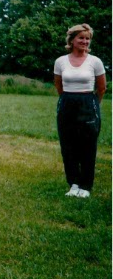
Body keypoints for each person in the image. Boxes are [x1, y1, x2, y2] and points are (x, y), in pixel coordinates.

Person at [54, 24, 106, 198]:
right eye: (81, 38)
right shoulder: (60, 61)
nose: (85, 41)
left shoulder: (95, 61)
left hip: (88, 103)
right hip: (67, 103)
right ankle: (74, 184)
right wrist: (67, 100)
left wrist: (92, 104)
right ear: (72, 40)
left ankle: (86, 186)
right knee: (68, 145)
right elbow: (58, 85)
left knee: (87, 146)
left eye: (87, 38)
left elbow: (101, 87)